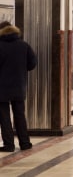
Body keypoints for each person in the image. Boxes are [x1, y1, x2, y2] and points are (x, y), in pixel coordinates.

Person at [0, 23, 37, 152]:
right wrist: (21, 69)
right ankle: (25, 143)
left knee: (4, 117)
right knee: (20, 115)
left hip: (2, 88)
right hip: (19, 86)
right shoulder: (24, 45)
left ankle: (9, 145)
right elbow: (32, 64)